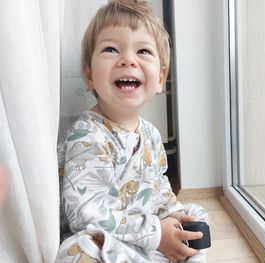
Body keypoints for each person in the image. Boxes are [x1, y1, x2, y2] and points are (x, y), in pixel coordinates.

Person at [55, 0, 208, 262]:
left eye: (144, 51)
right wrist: (156, 234)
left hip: (142, 240)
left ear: (160, 78)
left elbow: (160, 188)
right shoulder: (87, 135)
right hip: (106, 240)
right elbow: (86, 214)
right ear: (89, 74)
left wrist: (171, 217)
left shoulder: (151, 134)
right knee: (77, 250)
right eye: (111, 49)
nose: (127, 60)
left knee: (196, 217)